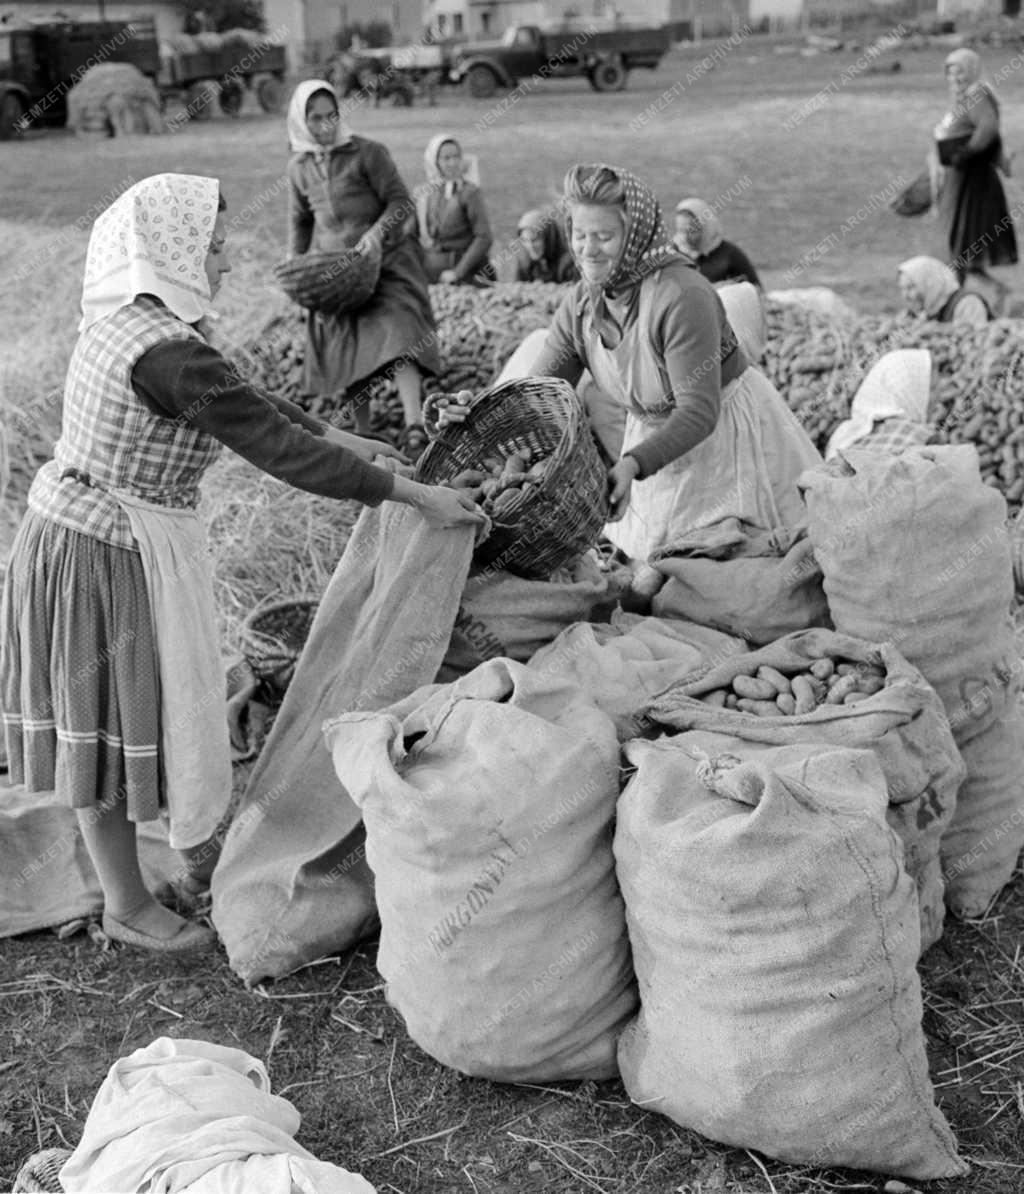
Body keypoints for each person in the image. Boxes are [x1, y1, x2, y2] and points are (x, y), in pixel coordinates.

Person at [0, 174, 486, 955]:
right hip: (104, 549)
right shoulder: (164, 353)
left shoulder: (140, 321)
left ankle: (124, 881)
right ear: (171, 251)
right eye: (214, 247)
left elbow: (246, 400)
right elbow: (271, 446)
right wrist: (411, 496)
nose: (224, 262)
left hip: (83, 531)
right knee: (113, 724)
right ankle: (126, 907)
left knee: (117, 720)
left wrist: (346, 440)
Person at [440, 164, 820, 563]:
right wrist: (473, 409)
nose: (588, 249)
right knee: (657, 572)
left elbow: (699, 411)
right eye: (579, 234)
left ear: (635, 234)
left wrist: (634, 463)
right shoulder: (582, 305)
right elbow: (536, 394)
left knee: (747, 570)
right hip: (652, 445)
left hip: (730, 441)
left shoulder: (680, 297)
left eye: (604, 236)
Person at [287, 80, 439, 458]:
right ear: (301, 122)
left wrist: (375, 235)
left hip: (385, 260)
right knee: (346, 340)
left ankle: (413, 423)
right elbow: (301, 222)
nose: (325, 125)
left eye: (330, 116)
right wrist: (295, 263)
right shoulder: (299, 167)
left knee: (398, 326)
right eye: (315, 118)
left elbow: (400, 201)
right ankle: (363, 434)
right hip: (337, 272)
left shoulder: (367, 153)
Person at [935, 49, 1017, 285]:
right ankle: (963, 291)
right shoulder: (964, 98)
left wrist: (966, 153)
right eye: (950, 74)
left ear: (971, 71)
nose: (955, 78)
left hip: (973, 180)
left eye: (960, 72)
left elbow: (987, 129)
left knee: (965, 239)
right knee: (960, 242)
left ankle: (979, 295)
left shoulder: (978, 95)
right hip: (961, 176)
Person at [416, 132, 495, 286]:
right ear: (435, 161)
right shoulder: (425, 195)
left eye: (456, 157)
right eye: (446, 158)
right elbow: (412, 234)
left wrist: (458, 272)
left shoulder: (470, 193)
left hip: (467, 272)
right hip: (432, 271)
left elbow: (484, 237)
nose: (452, 163)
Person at [826, 349, 933, 460]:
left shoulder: (844, 436)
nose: (936, 396)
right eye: (930, 387)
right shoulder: (917, 435)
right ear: (910, 389)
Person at [674, 197, 761, 288]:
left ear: (705, 227)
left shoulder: (729, 254)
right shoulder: (672, 254)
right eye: (681, 231)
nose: (685, 238)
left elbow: (756, 289)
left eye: (692, 231)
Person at [897, 255, 992, 327]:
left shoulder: (968, 304)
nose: (905, 296)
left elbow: (974, 342)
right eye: (902, 289)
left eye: (911, 287)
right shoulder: (928, 309)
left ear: (929, 283)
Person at [500, 207, 579, 283]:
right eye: (525, 240)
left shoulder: (568, 260)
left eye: (535, 240)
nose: (530, 246)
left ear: (547, 238)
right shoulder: (525, 260)